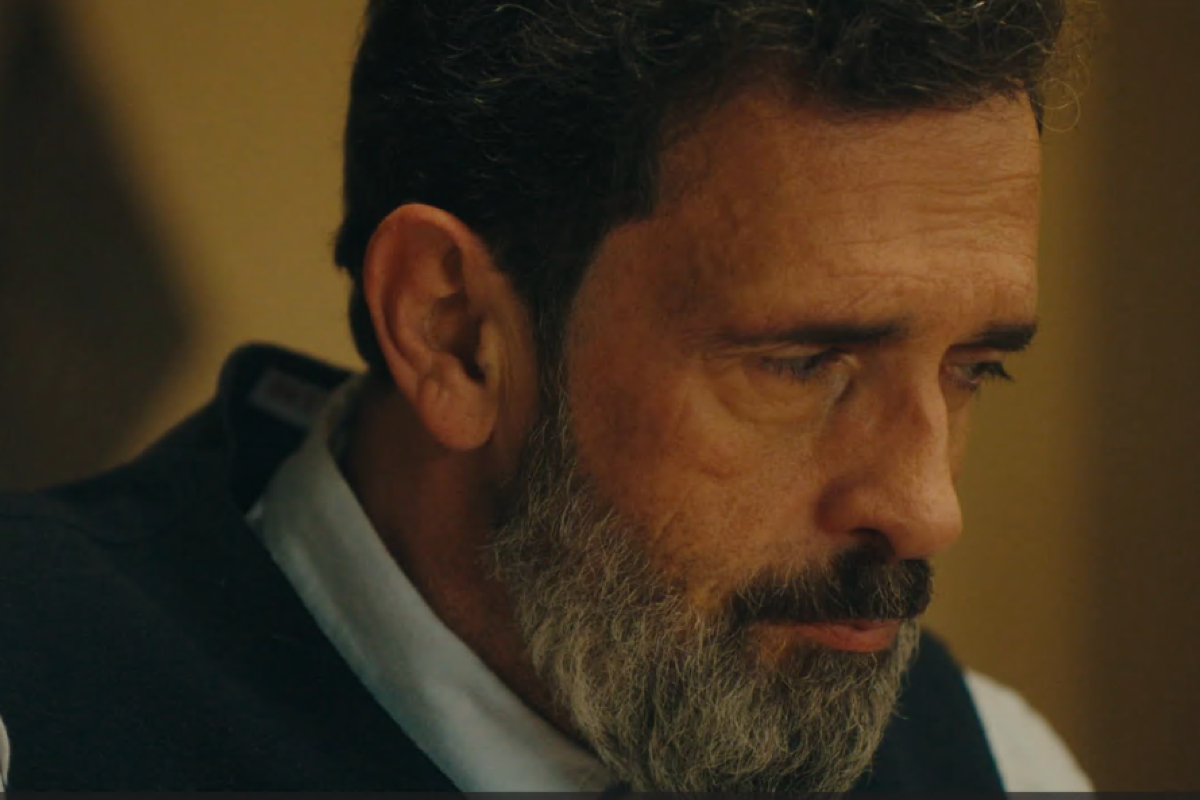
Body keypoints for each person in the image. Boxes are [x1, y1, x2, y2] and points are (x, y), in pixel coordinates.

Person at [0, 0, 1095, 791]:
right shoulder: (36, 707)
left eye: (972, 368)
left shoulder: (996, 765)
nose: (927, 507)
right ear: (456, 333)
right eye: (803, 363)